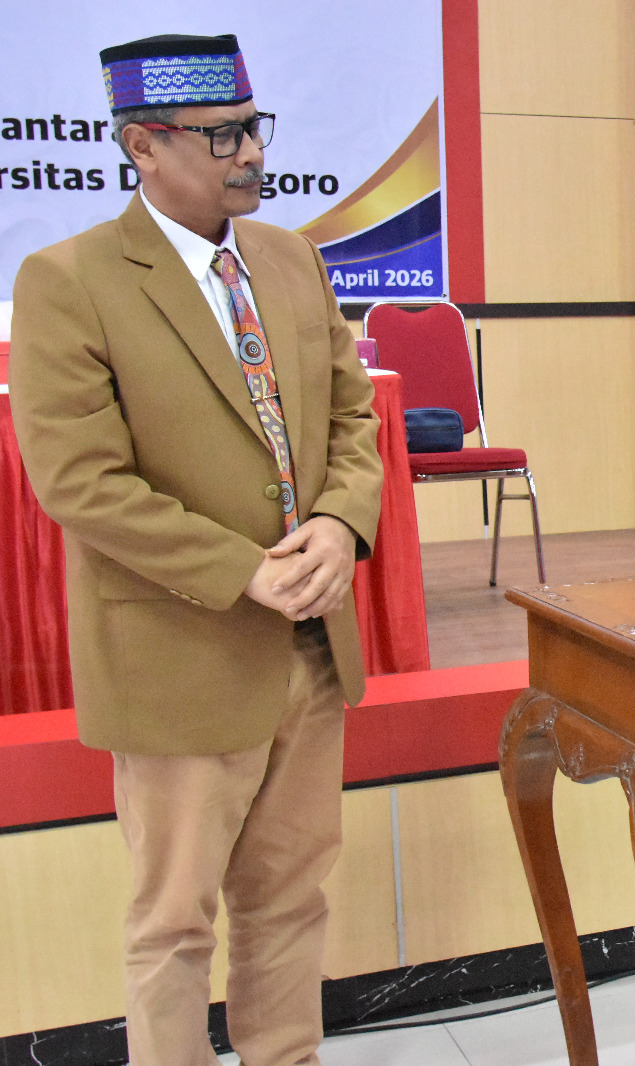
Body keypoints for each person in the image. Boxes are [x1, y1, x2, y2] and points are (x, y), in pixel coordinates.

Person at [9, 34, 382, 1066]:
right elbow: (80, 481)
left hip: (310, 648)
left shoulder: (291, 258)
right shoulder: (69, 279)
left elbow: (355, 422)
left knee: (290, 901)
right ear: (143, 145)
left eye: (252, 129)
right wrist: (242, 569)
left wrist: (342, 525)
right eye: (222, 136)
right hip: (181, 652)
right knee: (173, 926)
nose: (249, 152)